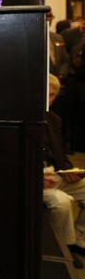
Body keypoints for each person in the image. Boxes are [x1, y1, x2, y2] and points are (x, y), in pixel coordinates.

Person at [43, 75, 85, 262]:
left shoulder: (53, 118)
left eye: (53, 96)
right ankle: (65, 250)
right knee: (62, 203)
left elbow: (59, 153)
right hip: (35, 178)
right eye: (46, 94)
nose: (49, 100)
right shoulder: (22, 120)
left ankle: (78, 238)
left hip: (56, 173)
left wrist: (69, 170)